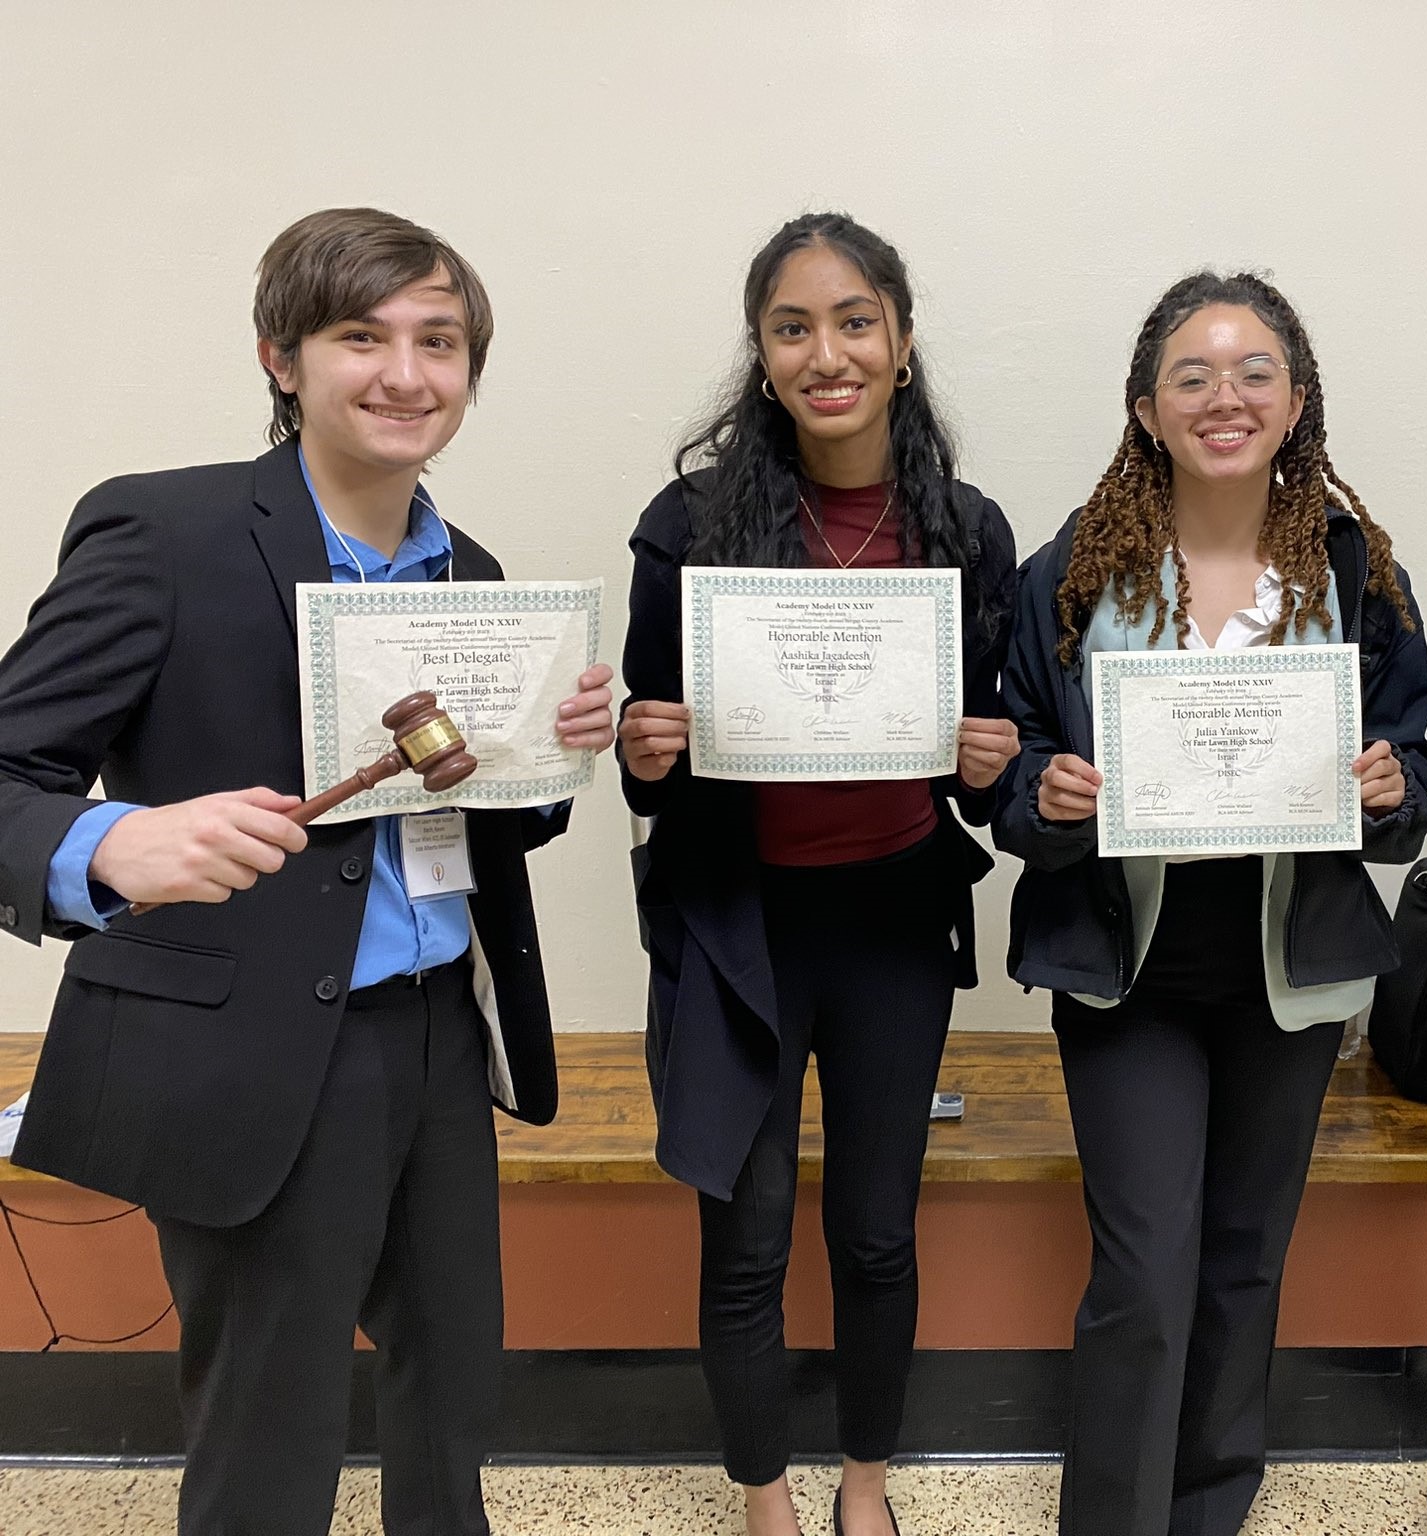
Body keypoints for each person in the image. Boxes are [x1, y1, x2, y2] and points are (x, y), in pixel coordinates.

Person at [0, 207, 616, 1535]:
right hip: (258, 1051)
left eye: (440, 341)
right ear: (283, 358)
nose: (408, 374)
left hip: (440, 1031)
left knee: (453, 1393)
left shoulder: (478, 576)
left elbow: (471, 834)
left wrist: (548, 764)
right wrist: (114, 842)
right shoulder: (166, 533)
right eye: (363, 337)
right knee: (271, 1425)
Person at [996, 271, 1427, 1536]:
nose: (1223, 396)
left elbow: (1410, 772)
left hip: (1286, 976)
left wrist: (1382, 784)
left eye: (1253, 372)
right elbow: (1009, 770)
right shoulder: (1073, 572)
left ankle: (1209, 1511)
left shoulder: (1354, 575)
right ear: (1145, 408)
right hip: (1124, 973)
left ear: (1295, 402)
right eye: (1191, 376)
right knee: (1142, 1274)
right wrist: (1050, 791)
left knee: (1244, 1264)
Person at [615, 211, 1019, 1536]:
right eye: (795, 327)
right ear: (763, 352)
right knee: (745, 1236)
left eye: (856, 322)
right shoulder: (688, 527)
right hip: (741, 925)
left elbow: (995, 755)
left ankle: (863, 1487)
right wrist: (646, 742)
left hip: (893, 921)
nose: (826, 350)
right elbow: (644, 745)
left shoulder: (964, 528)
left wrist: (986, 761)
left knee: (876, 1232)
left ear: (902, 345)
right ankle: (764, 1498)